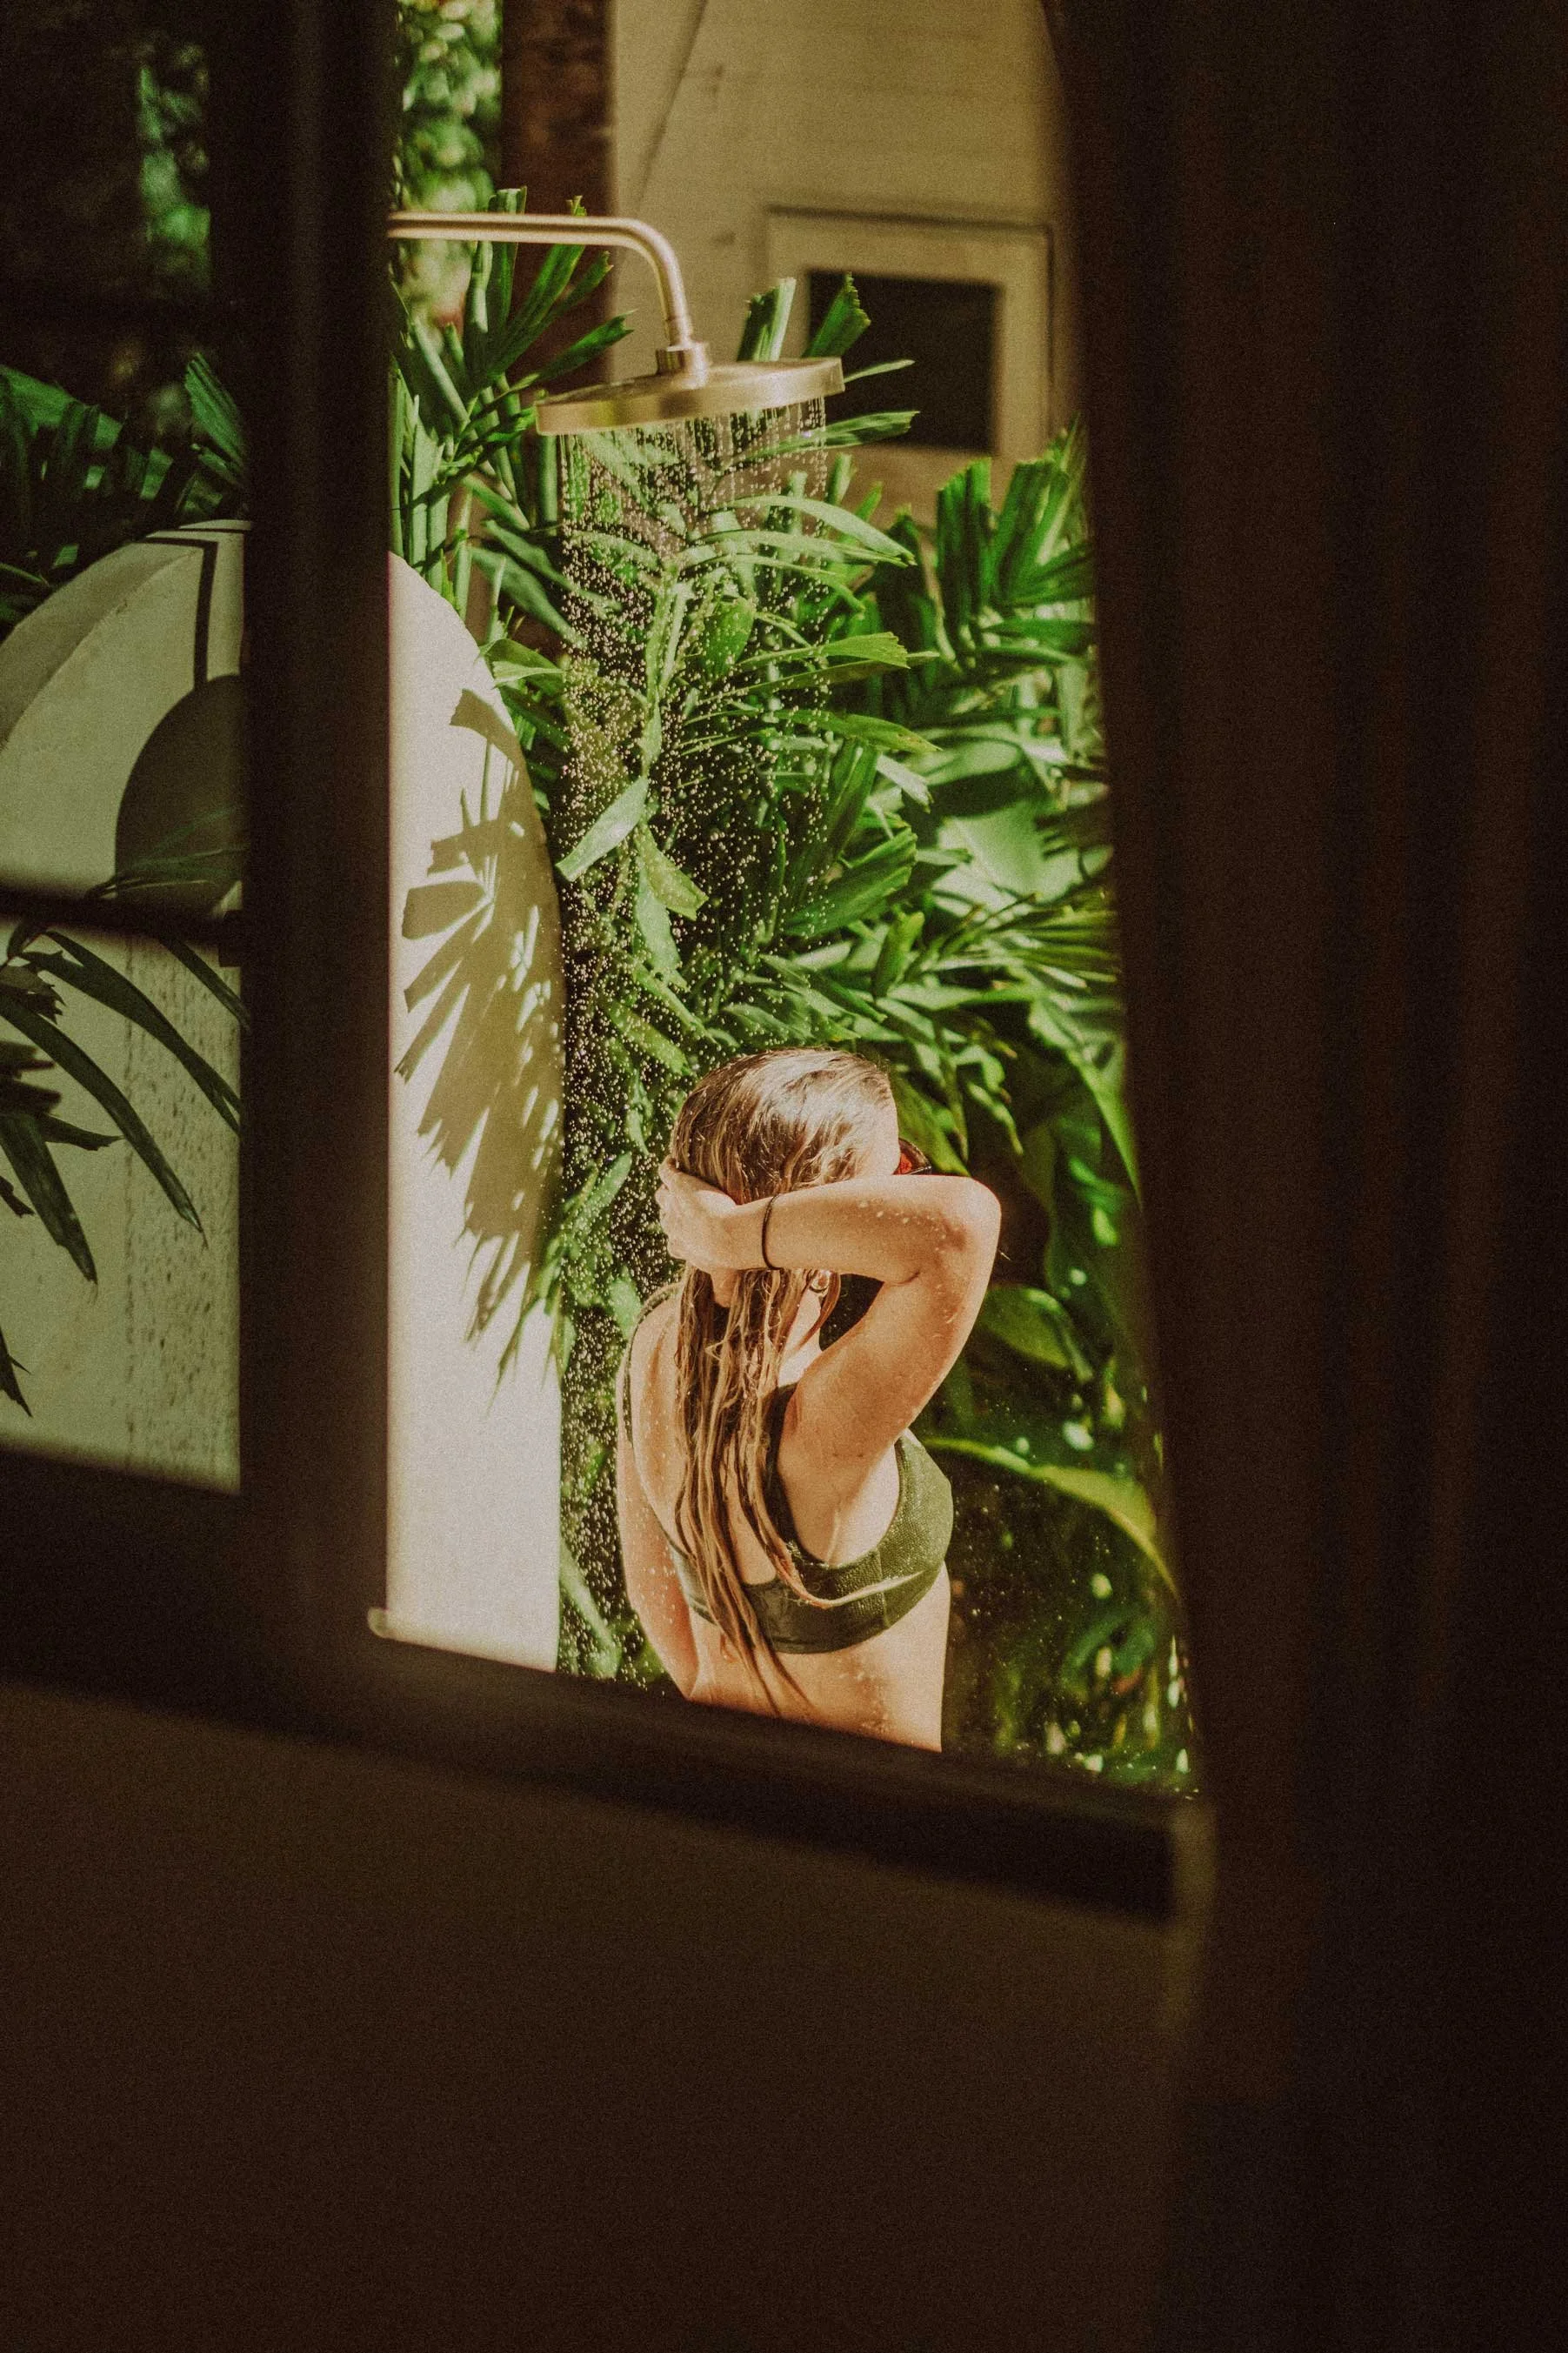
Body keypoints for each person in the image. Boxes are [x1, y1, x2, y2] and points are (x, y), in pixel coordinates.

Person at [615, 1048, 1000, 1748]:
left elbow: (653, 1590)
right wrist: (732, 1235)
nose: (900, 1199)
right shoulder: (816, 1427)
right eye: (896, 1179)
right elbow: (959, 1229)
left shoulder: (653, 1346)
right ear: (826, 1202)